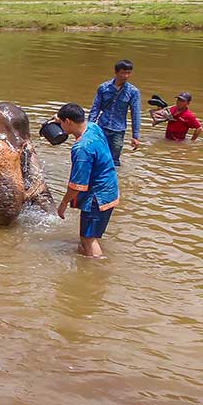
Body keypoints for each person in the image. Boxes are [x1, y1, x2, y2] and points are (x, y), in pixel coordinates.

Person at [54, 103, 120, 258]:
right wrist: (58, 119)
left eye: (62, 123)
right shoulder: (93, 128)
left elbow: (77, 185)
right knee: (91, 235)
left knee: (87, 239)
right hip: (110, 189)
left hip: (97, 197)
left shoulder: (82, 148)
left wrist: (63, 204)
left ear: (68, 122)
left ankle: (95, 273)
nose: (61, 126)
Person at [88, 59, 142, 166]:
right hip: (102, 126)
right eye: (123, 72)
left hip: (118, 130)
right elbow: (95, 108)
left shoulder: (133, 92)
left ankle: (114, 179)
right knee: (97, 155)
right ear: (116, 72)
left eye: (129, 73)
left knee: (115, 160)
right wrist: (89, 127)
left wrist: (135, 136)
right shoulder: (104, 88)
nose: (126, 76)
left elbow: (135, 114)